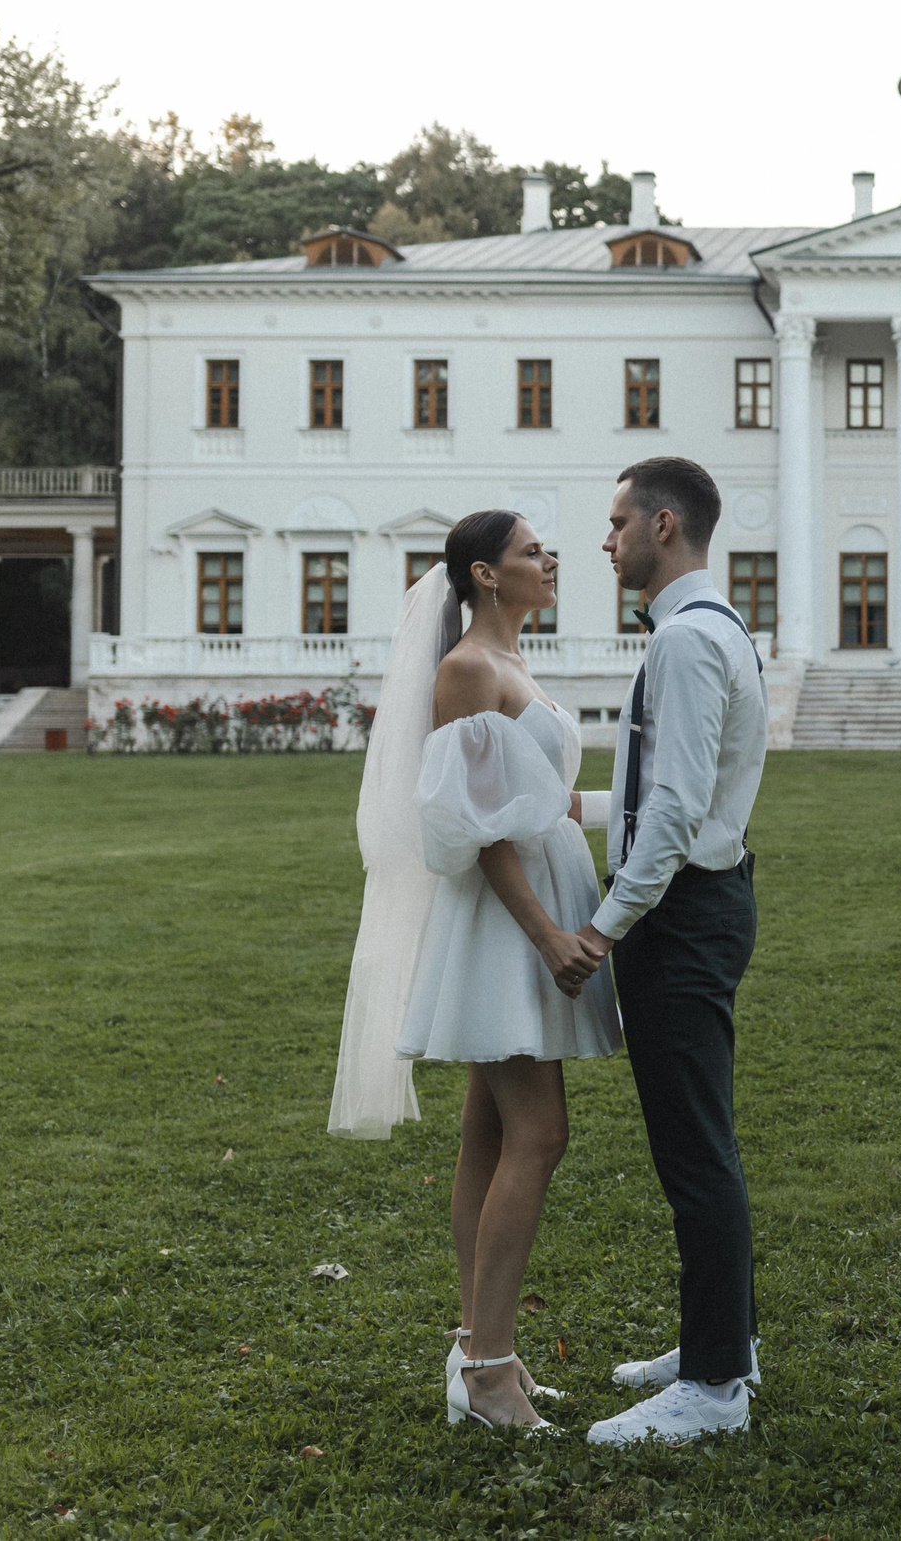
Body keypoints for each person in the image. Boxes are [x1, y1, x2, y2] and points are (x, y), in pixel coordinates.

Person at [327, 509, 618, 1435]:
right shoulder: (467, 669)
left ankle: (478, 1350)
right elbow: (474, 827)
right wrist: (547, 936)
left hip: (530, 905)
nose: (552, 558)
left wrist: (636, 807)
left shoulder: (514, 661)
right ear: (486, 574)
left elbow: (541, 802)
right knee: (540, 1132)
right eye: (534, 550)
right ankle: (488, 1368)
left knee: (489, 1133)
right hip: (507, 923)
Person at [578, 457, 771, 1447]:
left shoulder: (689, 641)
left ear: (663, 525)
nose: (606, 540)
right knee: (702, 1138)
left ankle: (715, 1387)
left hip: (681, 914)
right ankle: (724, 1337)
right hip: (702, 900)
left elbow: (677, 810)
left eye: (617, 522)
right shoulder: (709, 628)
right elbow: (657, 794)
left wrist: (602, 927)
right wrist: (560, 807)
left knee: (694, 1149)